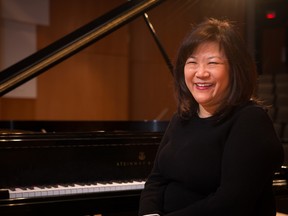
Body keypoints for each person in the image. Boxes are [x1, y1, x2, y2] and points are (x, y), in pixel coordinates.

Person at [138, 18, 284, 216]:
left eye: (212, 63)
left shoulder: (250, 121)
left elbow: (231, 204)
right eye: (192, 62)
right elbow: (156, 179)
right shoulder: (181, 118)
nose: (201, 73)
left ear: (235, 70)